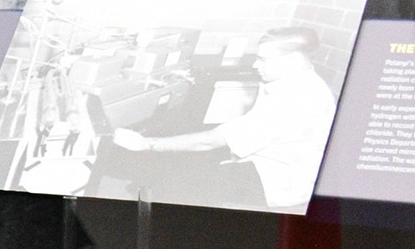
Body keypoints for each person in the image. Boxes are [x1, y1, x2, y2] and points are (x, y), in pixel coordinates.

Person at [110, 25, 338, 210]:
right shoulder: (299, 80)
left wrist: (147, 144)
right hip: (270, 159)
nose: (256, 65)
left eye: (263, 59)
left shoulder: (294, 98)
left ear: (293, 58)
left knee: (177, 183)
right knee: (173, 164)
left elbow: (210, 141)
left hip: (278, 180)